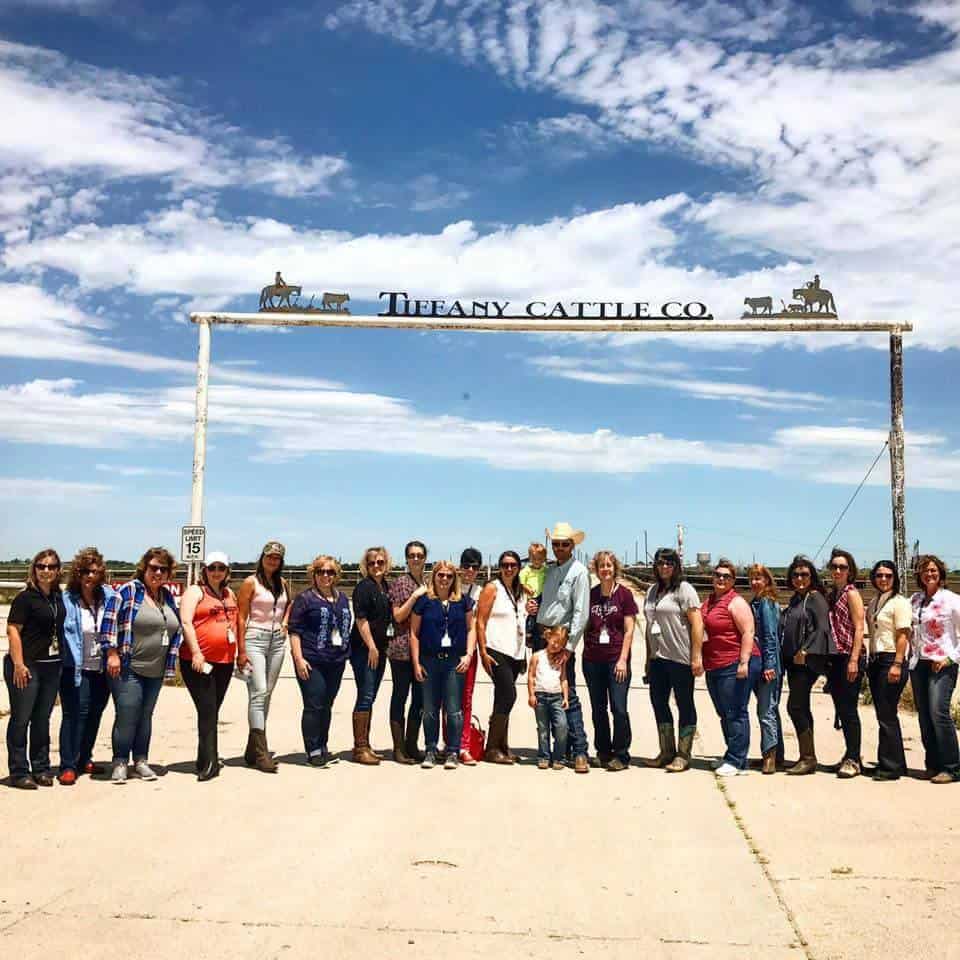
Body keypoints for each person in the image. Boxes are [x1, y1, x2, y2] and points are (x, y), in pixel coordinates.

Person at [101, 547, 182, 784]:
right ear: (144, 569)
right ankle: (119, 762)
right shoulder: (128, 591)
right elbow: (109, 621)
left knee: (145, 716)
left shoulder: (166, 597)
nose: (157, 572)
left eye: (162, 569)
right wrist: (112, 653)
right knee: (127, 714)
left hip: (156, 670)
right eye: (153, 567)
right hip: (129, 667)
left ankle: (141, 761)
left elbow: (175, 628)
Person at [530, 523, 591, 773]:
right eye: (555, 544)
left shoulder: (579, 572)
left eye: (564, 544)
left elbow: (580, 611)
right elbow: (545, 600)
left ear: (573, 546)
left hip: (561, 637)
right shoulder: (550, 570)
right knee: (546, 691)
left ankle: (580, 750)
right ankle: (558, 750)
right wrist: (534, 608)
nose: (559, 548)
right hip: (542, 632)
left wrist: (570, 646)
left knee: (568, 694)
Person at [4, 549, 65, 789]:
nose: (46, 571)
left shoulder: (57, 597)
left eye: (51, 566)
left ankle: (40, 767)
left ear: (58, 570)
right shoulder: (25, 598)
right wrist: (19, 664)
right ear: (34, 569)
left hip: (51, 665)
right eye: (41, 566)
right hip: (26, 666)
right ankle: (19, 771)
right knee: (21, 718)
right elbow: (13, 630)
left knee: (42, 719)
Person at [409, 560, 476, 769]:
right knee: (430, 708)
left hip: (454, 662)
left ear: (454, 578)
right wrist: (416, 662)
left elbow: (471, 628)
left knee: (454, 709)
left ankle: (453, 751)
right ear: (434, 577)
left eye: (448, 575)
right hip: (429, 660)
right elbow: (414, 633)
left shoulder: (463, 601)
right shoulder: (424, 602)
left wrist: (468, 655)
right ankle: (430, 749)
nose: (444, 579)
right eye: (441, 575)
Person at [178, 552, 239, 781]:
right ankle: (211, 763)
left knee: (212, 710)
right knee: (207, 710)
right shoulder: (195, 592)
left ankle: (203, 757)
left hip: (224, 661)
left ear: (227, 572)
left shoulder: (228, 593)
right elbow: (186, 621)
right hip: (199, 661)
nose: (216, 572)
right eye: (212, 567)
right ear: (205, 570)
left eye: (221, 568)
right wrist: (196, 652)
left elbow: (235, 621)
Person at [643, 547, 703, 773]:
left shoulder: (684, 589)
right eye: (660, 563)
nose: (664, 567)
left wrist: (696, 656)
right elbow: (649, 626)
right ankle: (666, 751)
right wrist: (648, 659)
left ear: (676, 566)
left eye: (669, 563)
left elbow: (697, 623)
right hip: (657, 658)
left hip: (680, 657)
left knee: (684, 703)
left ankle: (683, 754)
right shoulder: (651, 592)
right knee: (659, 702)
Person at [59, 547, 116, 784]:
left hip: (101, 666)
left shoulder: (108, 596)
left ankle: (84, 758)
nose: (89, 576)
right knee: (75, 714)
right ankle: (68, 764)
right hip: (76, 666)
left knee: (95, 713)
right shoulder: (67, 598)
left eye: (94, 571)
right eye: (84, 571)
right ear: (77, 573)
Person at [288, 555, 352, 767]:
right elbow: (294, 630)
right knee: (314, 703)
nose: (326, 576)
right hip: (311, 659)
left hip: (336, 660)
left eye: (330, 572)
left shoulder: (342, 598)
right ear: (313, 574)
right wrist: (298, 659)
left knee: (327, 704)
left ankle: (323, 746)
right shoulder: (305, 599)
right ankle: (312, 749)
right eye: (321, 572)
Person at [701, 559, 760, 777]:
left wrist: (743, 662)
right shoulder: (708, 602)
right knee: (723, 712)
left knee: (735, 711)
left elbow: (748, 632)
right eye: (718, 575)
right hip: (714, 664)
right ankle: (732, 755)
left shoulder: (736, 602)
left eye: (726, 576)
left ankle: (738, 761)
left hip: (735, 662)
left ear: (733, 581)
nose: (721, 579)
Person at [236, 541, 289, 774]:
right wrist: (241, 650)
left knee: (266, 693)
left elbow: (289, 605)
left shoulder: (283, 583)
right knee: (257, 693)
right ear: (262, 557)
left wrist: (285, 623)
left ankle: (252, 748)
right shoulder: (251, 582)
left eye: (277, 558)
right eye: (269, 556)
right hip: (255, 637)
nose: (272, 560)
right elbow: (240, 617)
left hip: (277, 641)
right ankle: (261, 752)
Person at [781, 555, 835, 776]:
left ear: (812, 576)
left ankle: (808, 757)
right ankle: (806, 755)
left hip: (806, 662)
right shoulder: (796, 599)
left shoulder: (815, 599)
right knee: (800, 706)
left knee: (795, 706)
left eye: (804, 574)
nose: (800, 578)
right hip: (793, 663)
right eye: (795, 574)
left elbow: (822, 628)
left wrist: (806, 649)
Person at [582, 551, 637, 772]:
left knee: (619, 707)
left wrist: (623, 659)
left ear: (615, 568)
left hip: (616, 660)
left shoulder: (624, 595)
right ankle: (603, 752)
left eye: (609, 565)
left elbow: (630, 630)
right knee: (598, 708)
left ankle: (622, 754)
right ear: (596, 569)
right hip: (593, 660)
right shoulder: (591, 595)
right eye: (601, 566)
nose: (605, 569)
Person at [909, 554, 960, 784]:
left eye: (933, 570)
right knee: (925, 715)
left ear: (940, 573)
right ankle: (933, 763)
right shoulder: (915, 600)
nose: (929, 574)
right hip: (919, 662)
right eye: (925, 570)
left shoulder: (952, 600)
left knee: (939, 712)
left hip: (942, 663)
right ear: (919, 575)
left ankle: (952, 767)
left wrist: (951, 658)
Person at [477, 550, 527, 765]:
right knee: (509, 695)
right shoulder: (492, 588)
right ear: (499, 567)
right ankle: (491, 748)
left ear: (518, 567)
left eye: (513, 565)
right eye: (505, 565)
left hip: (515, 652)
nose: (509, 569)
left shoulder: (520, 591)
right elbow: (480, 621)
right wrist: (483, 652)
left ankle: (502, 746)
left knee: (502, 697)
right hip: (496, 650)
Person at [865, 561, 911, 781]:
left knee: (886, 715)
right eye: (880, 575)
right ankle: (896, 762)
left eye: (888, 576)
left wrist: (897, 663)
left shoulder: (900, 603)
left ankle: (890, 767)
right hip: (875, 660)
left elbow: (903, 634)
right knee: (885, 713)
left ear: (895, 578)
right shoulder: (874, 602)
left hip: (891, 658)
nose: (883, 579)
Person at [349, 546, 394, 765]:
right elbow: (361, 619)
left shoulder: (385, 586)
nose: (376, 566)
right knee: (365, 695)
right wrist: (372, 647)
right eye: (372, 563)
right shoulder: (364, 588)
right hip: (364, 650)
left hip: (380, 649)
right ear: (365, 566)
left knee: (371, 696)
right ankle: (360, 748)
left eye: (380, 562)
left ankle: (365, 743)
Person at [826, 548, 866, 778]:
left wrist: (854, 659)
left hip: (850, 656)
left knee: (849, 710)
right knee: (841, 709)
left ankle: (853, 758)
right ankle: (851, 753)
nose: (838, 570)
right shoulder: (834, 594)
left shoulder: (851, 593)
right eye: (834, 567)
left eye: (842, 567)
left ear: (850, 571)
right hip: (836, 658)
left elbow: (859, 627)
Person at [388, 540, 428, 762]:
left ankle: (412, 744)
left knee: (420, 700)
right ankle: (398, 747)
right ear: (406, 558)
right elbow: (398, 616)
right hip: (401, 649)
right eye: (412, 555)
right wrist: (415, 597)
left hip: (422, 650)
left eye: (419, 555)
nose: (415, 559)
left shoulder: (427, 582)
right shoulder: (400, 583)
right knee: (400, 697)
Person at [747, 564, 783, 774]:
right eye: (752, 578)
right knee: (770, 709)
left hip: (767, 664)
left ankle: (769, 756)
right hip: (759, 662)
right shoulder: (756, 602)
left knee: (765, 710)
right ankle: (777, 755)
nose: (754, 582)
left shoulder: (767, 604)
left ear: (767, 581)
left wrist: (769, 665)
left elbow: (770, 636)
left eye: (759, 578)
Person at [456, 547, 485, 764]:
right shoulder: (449, 585)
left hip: (469, 651)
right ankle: (447, 743)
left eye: (474, 567)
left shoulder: (481, 592)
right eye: (466, 566)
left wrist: (470, 652)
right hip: (446, 651)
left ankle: (464, 745)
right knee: (446, 701)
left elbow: (479, 624)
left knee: (466, 699)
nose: (470, 570)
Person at [527, 625, 569, 769]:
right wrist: (531, 695)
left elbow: (564, 678)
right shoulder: (537, 656)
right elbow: (531, 676)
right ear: (548, 637)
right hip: (540, 697)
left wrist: (566, 697)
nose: (556, 646)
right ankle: (544, 756)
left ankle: (559, 757)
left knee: (562, 726)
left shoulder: (561, 659)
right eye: (554, 641)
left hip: (557, 697)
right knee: (543, 729)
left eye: (560, 644)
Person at [520, 542, 548, 650]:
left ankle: (541, 631)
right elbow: (520, 582)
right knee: (532, 615)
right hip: (531, 596)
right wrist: (526, 588)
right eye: (534, 558)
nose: (537, 561)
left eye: (540, 559)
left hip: (542, 595)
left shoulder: (545, 569)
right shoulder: (526, 570)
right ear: (530, 558)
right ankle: (529, 633)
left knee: (541, 615)